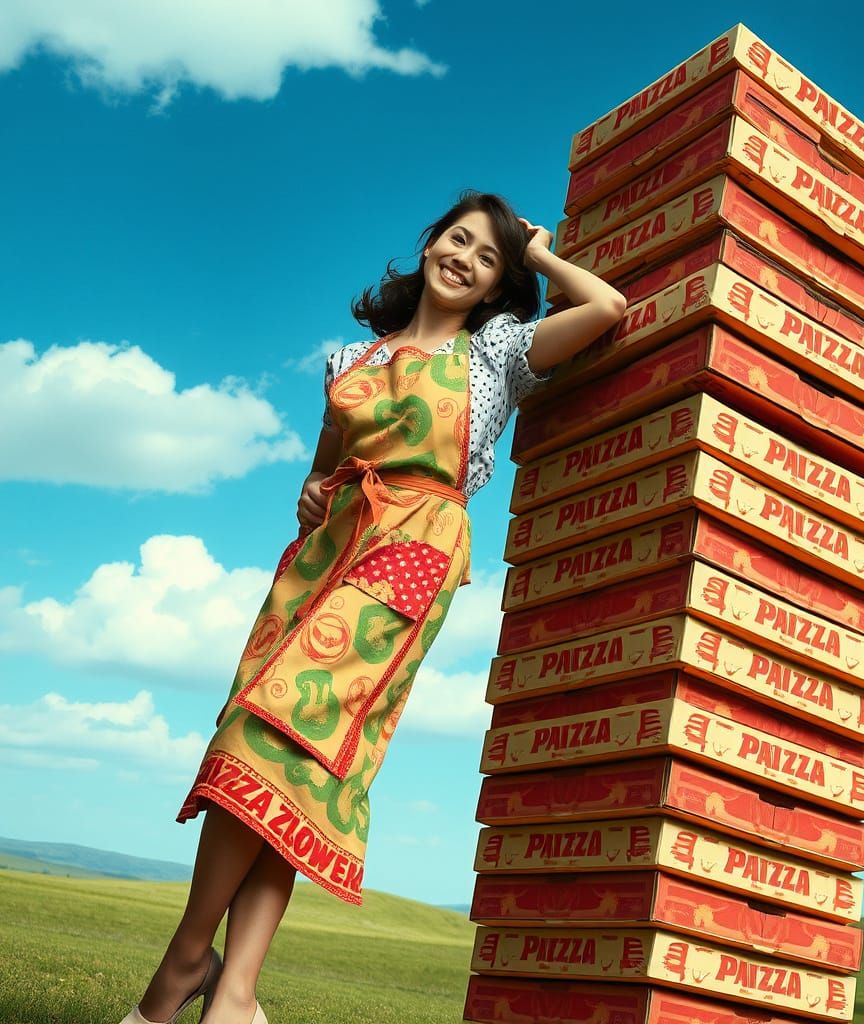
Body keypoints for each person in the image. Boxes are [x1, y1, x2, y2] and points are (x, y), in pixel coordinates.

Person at [117, 190, 626, 1024]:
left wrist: (537, 254)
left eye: (487, 257)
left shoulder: (496, 350)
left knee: (276, 725)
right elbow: (320, 469)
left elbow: (607, 307)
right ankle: (234, 995)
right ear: (430, 245)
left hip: (414, 549)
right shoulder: (349, 360)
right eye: (457, 240)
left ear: (499, 284)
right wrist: (312, 495)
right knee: (295, 757)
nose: (465, 258)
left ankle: (183, 963)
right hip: (323, 559)